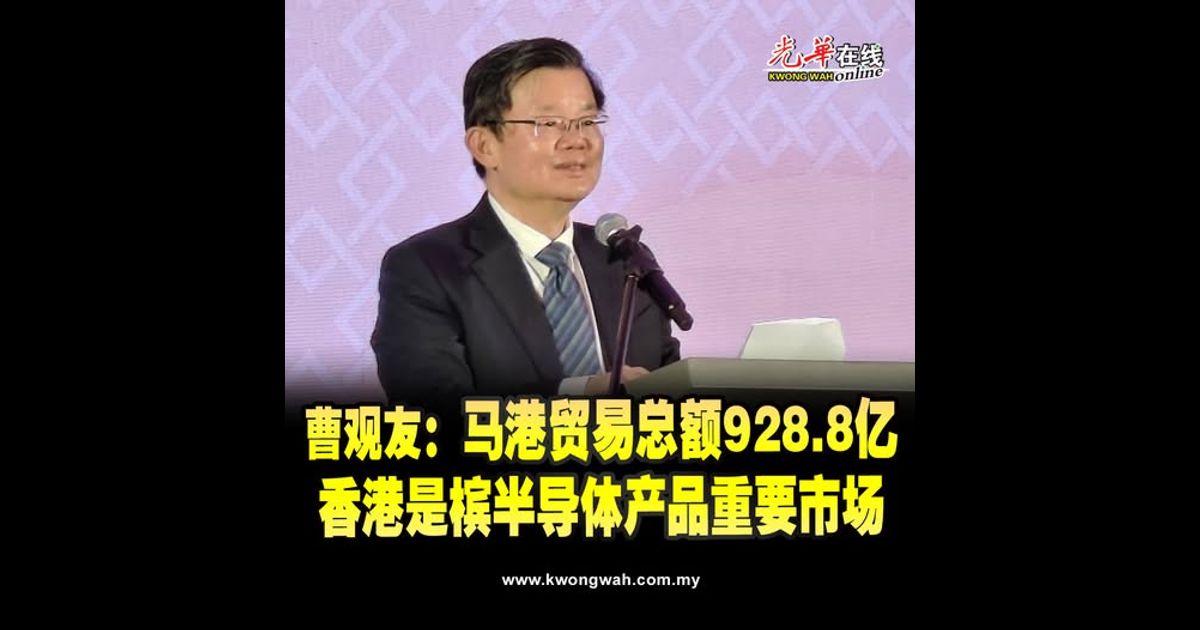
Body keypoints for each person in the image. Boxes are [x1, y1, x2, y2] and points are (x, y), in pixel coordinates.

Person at [371, 37, 681, 413]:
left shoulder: (623, 262)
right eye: (548, 123)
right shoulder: (426, 268)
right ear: (484, 145)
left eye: (587, 121)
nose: (577, 140)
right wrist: (579, 396)